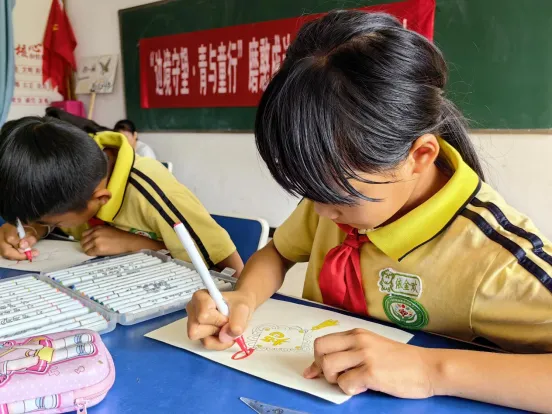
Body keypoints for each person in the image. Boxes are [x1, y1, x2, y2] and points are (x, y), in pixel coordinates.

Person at [186, 11, 552, 412]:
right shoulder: (331, 205)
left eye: (338, 194)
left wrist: (430, 370)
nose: (320, 211)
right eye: (310, 190)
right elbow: (278, 252)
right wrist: (244, 297)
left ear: (419, 156)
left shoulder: (496, 260)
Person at [0, 117, 244, 276]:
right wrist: (31, 229)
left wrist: (136, 244)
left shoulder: (151, 191)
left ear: (100, 199)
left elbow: (228, 271)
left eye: (47, 221)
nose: (38, 223)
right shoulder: (73, 175)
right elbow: (54, 214)